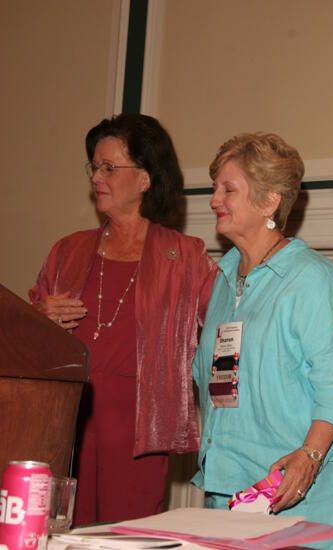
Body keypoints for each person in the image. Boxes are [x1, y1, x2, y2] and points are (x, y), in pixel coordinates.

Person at [29, 113, 218, 525]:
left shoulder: (184, 256)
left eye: (109, 168)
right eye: (94, 166)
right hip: (67, 421)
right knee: (59, 531)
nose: (97, 177)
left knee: (126, 536)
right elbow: (25, 341)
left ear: (146, 179)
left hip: (139, 427)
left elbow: (225, 328)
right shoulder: (67, 250)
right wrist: (40, 315)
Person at [191, 132, 333, 549]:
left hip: (301, 497)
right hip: (229, 493)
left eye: (228, 189)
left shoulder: (312, 280)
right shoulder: (223, 280)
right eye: (215, 187)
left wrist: (308, 459)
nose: (214, 199)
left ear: (269, 201)